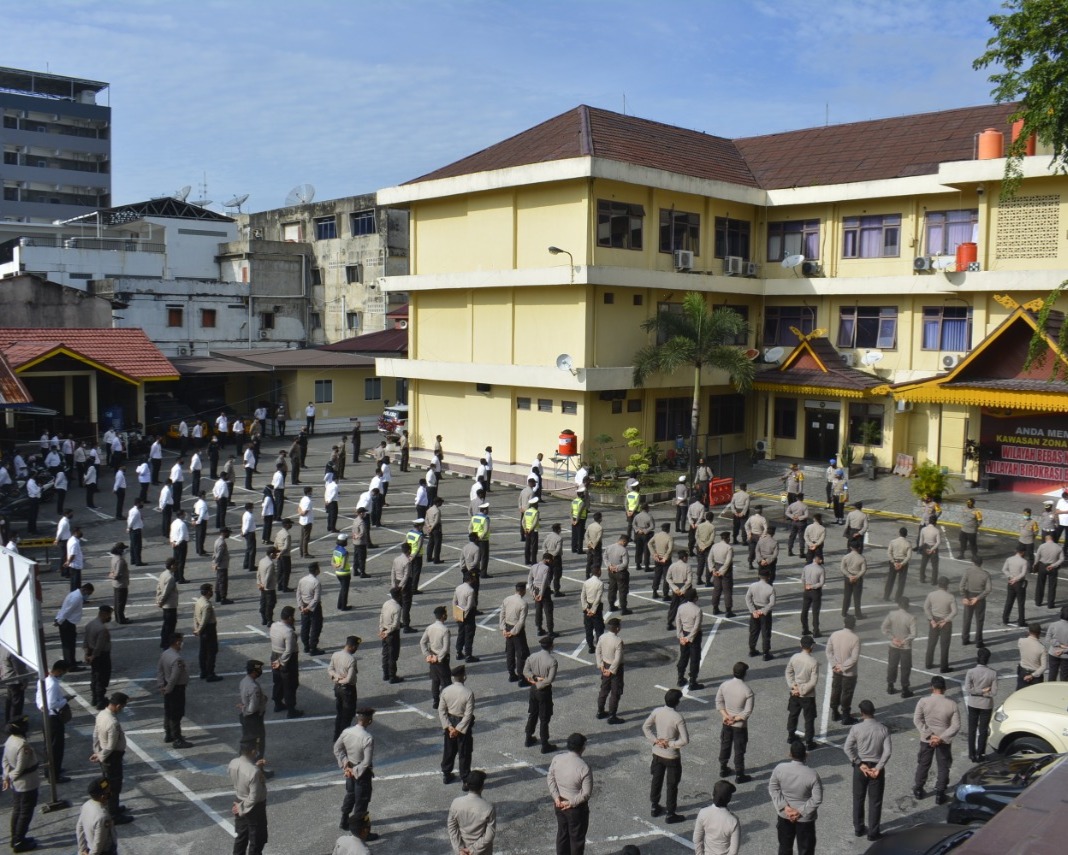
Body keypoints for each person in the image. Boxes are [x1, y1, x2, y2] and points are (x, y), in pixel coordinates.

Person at [843, 699, 891, 842]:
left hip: (860, 769)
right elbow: (887, 752)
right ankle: (873, 832)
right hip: (876, 768)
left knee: (858, 798)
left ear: (862, 713)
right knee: (875, 801)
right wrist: (878, 768)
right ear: (874, 712)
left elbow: (847, 748)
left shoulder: (856, 729)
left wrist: (859, 763)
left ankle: (858, 828)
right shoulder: (883, 729)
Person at [768, 740, 823, 855]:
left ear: (790, 754)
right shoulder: (812, 774)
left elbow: (773, 788)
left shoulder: (780, 768)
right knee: (806, 850)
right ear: (806, 755)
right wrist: (800, 811)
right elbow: (817, 799)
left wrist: (784, 807)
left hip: (785, 815)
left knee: (784, 848)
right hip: (805, 818)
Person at [643, 688, 689, 824]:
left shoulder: (657, 711)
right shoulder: (678, 717)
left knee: (656, 780)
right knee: (672, 784)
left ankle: (654, 806)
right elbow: (685, 740)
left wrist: (656, 740)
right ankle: (670, 813)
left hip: (657, 752)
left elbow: (646, 727)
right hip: (671, 756)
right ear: (677, 702)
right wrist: (670, 743)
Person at [913, 675, 960, 804]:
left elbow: (917, 720)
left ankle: (918, 789)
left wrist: (930, 734)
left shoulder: (923, 701)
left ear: (931, 687)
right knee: (943, 766)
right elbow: (956, 725)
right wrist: (941, 737)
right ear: (945, 688)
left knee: (923, 764)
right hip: (943, 741)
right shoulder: (952, 704)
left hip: (926, 739)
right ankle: (940, 794)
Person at [90, 692, 132, 825]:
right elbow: (111, 745)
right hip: (111, 757)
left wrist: (97, 752)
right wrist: (101, 756)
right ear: (118, 706)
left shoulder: (101, 714)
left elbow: (95, 734)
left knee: (109, 782)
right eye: (123, 706)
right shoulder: (112, 722)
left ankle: (113, 807)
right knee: (114, 785)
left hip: (104, 754)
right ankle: (113, 813)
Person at [547, 732, 592, 855]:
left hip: (559, 803)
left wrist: (556, 797)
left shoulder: (557, 759)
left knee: (562, 834)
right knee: (576, 839)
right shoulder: (584, 767)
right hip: (576, 808)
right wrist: (571, 803)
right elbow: (586, 793)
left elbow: (550, 778)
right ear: (582, 748)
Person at [2, 715, 41, 852]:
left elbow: (5, 761)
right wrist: (10, 777)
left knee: (18, 810)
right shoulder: (22, 744)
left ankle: (16, 837)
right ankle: (19, 841)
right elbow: (20, 768)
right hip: (26, 783)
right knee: (25, 812)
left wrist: (6, 776)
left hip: (17, 784)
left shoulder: (10, 741)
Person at [335, 708, 375, 833]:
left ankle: (344, 819)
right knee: (362, 801)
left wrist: (345, 764)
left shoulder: (347, 731)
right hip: (361, 773)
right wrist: (356, 771)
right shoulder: (367, 738)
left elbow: (337, 749)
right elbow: (366, 761)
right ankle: (360, 830)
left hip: (349, 768)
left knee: (350, 795)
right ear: (369, 720)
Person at [715, 662, 754, 784]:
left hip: (726, 722)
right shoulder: (747, 691)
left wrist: (726, 716)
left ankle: (723, 768)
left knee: (725, 745)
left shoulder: (724, 685)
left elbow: (719, 702)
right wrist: (735, 719)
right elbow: (747, 712)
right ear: (745, 674)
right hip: (739, 726)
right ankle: (739, 774)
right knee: (739, 749)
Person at [230, 737, 269, 855]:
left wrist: (256, 767)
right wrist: (241, 807)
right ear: (252, 751)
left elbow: (243, 779)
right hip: (253, 808)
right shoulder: (253, 772)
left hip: (239, 799)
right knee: (257, 840)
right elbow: (254, 797)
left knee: (241, 837)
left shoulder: (233, 763)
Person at [439, 665, 475, 786]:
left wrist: (449, 726)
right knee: (464, 752)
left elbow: (441, 711)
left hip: (450, 722)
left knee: (449, 750)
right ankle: (465, 779)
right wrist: (459, 729)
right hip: (462, 725)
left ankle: (446, 773)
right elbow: (468, 714)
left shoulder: (446, 690)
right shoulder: (468, 693)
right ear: (463, 676)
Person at [447, 768, 496, 855]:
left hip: (463, 850)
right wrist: (472, 850)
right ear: (482, 787)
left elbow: (452, 828)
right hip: (482, 851)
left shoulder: (456, 803)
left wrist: (460, 849)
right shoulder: (488, 808)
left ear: (467, 785)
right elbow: (489, 836)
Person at [524, 635, 559, 753]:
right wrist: (539, 683)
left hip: (533, 689)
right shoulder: (552, 661)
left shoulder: (532, 656)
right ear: (551, 646)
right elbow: (549, 680)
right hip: (544, 691)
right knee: (544, 718)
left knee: (532, 714)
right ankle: (545, 744)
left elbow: (525, 671)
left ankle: (528, 738)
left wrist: (533, 678)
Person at [963, 647, 998, 763]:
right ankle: (980, 754)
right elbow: (993, 692)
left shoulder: (971, 672)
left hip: (973, 703)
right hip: (986, 705)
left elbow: (968, 689)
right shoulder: (992, 673)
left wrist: (978, 691)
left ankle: (971, 754)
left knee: (972, 729)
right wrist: (984, 691)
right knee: (983, 730)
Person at [157, 632, 192, 748]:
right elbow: (174, 677)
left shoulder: (165, 653)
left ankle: (168, 734)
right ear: (177, 642)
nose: (182, 644)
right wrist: (168, 689)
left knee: (168, 712)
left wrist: (162, 685)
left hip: (168, 687)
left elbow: (160, 670)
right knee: (176, 714)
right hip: (176, 689)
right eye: (181, 641)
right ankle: (177, 739)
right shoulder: (177, 659)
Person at [785, 636, 819, 750]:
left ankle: (791, 735)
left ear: (801, 645)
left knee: (793, 714)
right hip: (807, 695)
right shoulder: (813, 662)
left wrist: (793, 686)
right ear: (811, 646)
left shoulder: (794, 657)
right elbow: (813, 681)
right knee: (809, 718)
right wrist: (802, 690)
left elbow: (788, 672)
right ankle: (809, 742)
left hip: (794, 693)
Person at [827, 616, 860, 725]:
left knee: (836, 689)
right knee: (847, 692)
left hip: (836, 670)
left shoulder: (834, 635)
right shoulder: (855, 638)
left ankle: (834, 712)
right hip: (849, 672)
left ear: (844, 623)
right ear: (854, 625)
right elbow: (854, 658)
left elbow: (829, 652)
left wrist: (835, 665)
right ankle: (845, 715)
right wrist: (844, 667)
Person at [270, 606, 302, 718]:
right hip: (287, 659)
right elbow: (289, 650)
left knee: (278, 681)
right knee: (290, 684)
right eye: (293, 617)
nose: (294, 619)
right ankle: (291, 710)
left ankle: (277, 703)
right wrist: (281, 662)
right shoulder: (288, 631)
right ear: (289, 617)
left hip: (274, 654)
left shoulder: (274, 625)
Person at [693, 779, 740, 855]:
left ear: (713, 795)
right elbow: (733, 851)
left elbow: (697, 839)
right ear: (729, 799)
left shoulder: (703, 812)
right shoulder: (733, 821)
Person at [883, 597, 916, 698]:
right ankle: (905, 689)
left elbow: (884, 628)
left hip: (894, 645)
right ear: (907, 605)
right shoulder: (911, 618)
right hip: (905, 647)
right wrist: (904, 641)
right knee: (905, 667)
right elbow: (913, 634)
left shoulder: (891, 614)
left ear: (898, 605)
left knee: (892, 665)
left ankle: (890, 686)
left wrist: (893, 639)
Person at [329, 636, 361, 740]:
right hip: (348, 690)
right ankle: (342, 739)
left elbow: (330, 669)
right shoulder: (351, 659)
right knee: (347, 716)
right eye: (356, 647)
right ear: (351, 647)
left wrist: (336, 678)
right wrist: (340, 680)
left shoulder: (335, 654)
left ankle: (336, 735)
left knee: (340, 714)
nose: (356, 649)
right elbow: (349, 679)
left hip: (337, 688)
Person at [55, 582, 93, 668]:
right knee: (69, 645)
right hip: (67, 622)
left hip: (68, 621)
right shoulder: (76, 598)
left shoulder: (75, 594)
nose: (87, 596)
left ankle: (71, 661)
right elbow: (67, 611)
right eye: (88, 593)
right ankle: (70, 665)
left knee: (70, 644)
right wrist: (59, 621)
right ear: (84, 590)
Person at [83, 605, 114, 710]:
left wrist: (87, 654)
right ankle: (100, 701)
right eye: (110, 614)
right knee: (102, 677)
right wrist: (94, 656)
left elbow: (85, 641)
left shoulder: (90, 624)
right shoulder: (101, 629)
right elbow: (99, 646)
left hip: (92, 653)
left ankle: (94, 698)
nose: (110, 617)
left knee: (95, 676)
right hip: (101, 655)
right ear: (105, 614)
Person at [421, 606, 452, 708]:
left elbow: (423, 642)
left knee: (435, 681)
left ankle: (435, 701)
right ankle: (446, 702)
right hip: (441, 659)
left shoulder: (430, 627)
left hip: (432, 655)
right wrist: (438, 658)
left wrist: (428, 655)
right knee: (446, 682)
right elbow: (445, 648)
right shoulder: (445, 630)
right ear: (443, 615)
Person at [595, 617, 625, 724]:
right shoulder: (618, 641)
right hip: (615, 669)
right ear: (617, 628)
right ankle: (612, 716)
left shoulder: (602, 637)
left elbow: (598, 651)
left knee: (604, 689)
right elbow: (618, 658)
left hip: (605, 665)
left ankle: (600, 711)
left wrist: (601, 665)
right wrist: (611, 670)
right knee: (615, 692)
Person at [76, 778, 118, 855]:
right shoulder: (103, 816)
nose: (111, 794)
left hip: (89, 848)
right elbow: (99, 842)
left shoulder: (86, 805)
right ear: (103, 797)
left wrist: (81, 850)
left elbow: (80, 828)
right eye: (108, 793)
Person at [923, 577, 956, 673]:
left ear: (938, 584)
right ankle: (944, 667)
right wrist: (946, 620)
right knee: (944, 645)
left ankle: (928, 664)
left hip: (934, 620)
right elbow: (954, 612)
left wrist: (931, 620)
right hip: (945, 623)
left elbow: (926, 608)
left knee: (931, 643)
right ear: (947, 585)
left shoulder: (931, 595)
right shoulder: (950, 597)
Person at [500, 582, 530, 684]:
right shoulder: (523, 604)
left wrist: (504, 629)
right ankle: (522, 678)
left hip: (507, 627)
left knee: (510, 652)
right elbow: (521, 621)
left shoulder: (507, 599)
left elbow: (502, 615)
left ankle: (511, 674)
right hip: (517, 630)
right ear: (523, 591)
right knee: (521, 654)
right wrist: (513, 632)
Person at [239, 661, 268, 762]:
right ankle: (258, 767)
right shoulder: (254, 686)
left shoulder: (244, 681)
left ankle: (245, 761)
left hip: (245, 716)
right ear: (255, 671)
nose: (260, 671)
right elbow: (253, 707)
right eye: (259, 669)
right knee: (258, 742)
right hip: (253, 718)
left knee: (247, 740)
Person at [960, 557, 992, 647]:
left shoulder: (968, 572)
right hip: (980, 598)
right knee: (979, 620)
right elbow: (988, 589)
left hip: (969, 595)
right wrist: (978, 598)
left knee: (967, 618)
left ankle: (965, 639)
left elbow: (961, 586)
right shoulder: (985, 574)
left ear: (973, 563)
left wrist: (964, 597)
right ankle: (978, 641)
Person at [676, 589, 703, 690]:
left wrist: (681, 636)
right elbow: (696, 627)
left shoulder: (681, 607)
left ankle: (680, 678)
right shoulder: (697, 610)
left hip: (684, 633)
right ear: (695, 597)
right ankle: (692, 681)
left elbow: (678, 621)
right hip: (693, 636)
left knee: (683, 656)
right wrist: (689, 638)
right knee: (695, 658)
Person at [193, 584, 222, 682]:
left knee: (203, 652)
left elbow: (195, 616)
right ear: (208, 592)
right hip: (208, 629)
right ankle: (210, 674)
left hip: (203, 630)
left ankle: (203, 672)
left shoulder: (199, 601)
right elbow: (205, 620)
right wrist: (199, 630)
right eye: (211, 590)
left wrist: (196, 628)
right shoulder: (206, 605)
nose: (212, 591)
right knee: (211, 652)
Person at [296, 562, 325, 655]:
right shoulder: (316, 582)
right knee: (316, 627)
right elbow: (316, 599)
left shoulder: (302, 580)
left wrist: (301, 606)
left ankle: (306, 646)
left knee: (305, 627)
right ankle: (313, 647)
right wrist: (309, 608)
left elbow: (298, 593)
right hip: (314, 608)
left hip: (303, 605)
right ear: (316, 570)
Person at [746, 569, 775, 660]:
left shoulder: (753, 586)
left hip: (755, 610)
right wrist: (763, 611)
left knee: (753, 631)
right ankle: (766, 653)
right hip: (765, 613)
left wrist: (753, 610)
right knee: (765, 632)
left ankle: (752, 649)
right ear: (768, 577)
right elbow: (771, 603)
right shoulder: (770, 588)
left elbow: (748, 598)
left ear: (759, 576)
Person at [379, 589, 404, 684]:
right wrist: (388, 632)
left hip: (384, 629)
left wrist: (381, 629)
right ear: (399, 596)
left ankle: (385, 674)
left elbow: (381, 616)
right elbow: (395, 624)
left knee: (385, 654)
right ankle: (392, 676)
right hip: (392, 634)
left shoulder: (386, 603)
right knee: (393, 655)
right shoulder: (397, 607)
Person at [1002, 544, 1030, 627]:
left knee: (1009, 601)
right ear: (1022, 552)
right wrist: (1016, 578)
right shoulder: (1024, 562)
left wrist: (1011, 577)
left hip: (1010, 582)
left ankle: (1005, 619)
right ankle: (1021, 621)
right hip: (1019, 583)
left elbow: (1004, 569)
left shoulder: (1009, 559)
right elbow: (1023, 573)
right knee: (1021, 603)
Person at [528, 553, 555, 638]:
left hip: (535, 590)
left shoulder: (533, 566)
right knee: (548, 611)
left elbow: (529, 580)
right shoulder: (546, 568)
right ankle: (550, 631)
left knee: (538, 610)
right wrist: (541, 594)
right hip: (544, 591)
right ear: (547, 559)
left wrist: (532, 592)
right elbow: (544, 582)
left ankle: (539, 629)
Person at [665, 549, 693, 630]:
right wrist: (683, 590)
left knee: (673, 606)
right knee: (684, 607)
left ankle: (669, 622)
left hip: (675, 587)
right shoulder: (687, 566)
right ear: (684, 557)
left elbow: (668, 578)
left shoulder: (672, 566)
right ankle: (684, 624)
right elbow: (689, 581)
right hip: (684, 587)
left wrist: (674, 588)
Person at [1035, 531, 1064, 608]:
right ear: (1053, 539)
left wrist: (1035, 566)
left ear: (1046, 539)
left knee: (1040, 585)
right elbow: (1062, 559)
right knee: (1052, 586)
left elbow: (1037, 557)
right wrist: (1053, 565)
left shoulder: (1042, 546)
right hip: (1053, 568)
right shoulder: (1058, 547)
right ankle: (1050, 604)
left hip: (1042, 566)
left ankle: (1038, 602)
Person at [604, 534, 632, 615]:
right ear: (623, 541)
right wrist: (617, 567)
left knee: (612, 589)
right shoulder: (623, 550)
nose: (627, 544)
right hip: (621, 573)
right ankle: (624, 609)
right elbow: (625, 563)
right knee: (623, 591)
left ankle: (611, 605)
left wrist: (609, 566)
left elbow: (605, 557)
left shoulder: (609, 547)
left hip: (611, 572)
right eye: (626, 542)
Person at [155, 558, 179, 650]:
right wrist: (161, 601)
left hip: (166, 605)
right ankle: (166, 643)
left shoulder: (163, 574)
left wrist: (158, 599)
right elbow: (166, 592)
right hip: (170, 604)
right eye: (176, 565)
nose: (177, 566)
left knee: (166, 624)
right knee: (170, 625)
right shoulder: (170, 577)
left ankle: (164, 641)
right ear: (172, 565)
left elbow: (159, 588)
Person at [885, 526, 912, 602]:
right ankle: (898, 598)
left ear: (899, 533)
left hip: (894, 562)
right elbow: (909, 556)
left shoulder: (893, 542)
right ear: (906, 535)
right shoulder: (908, 543)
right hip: (903, 563)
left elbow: (889, 553)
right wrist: (902, 564)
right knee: (901, 582)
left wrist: (894, 562)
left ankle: (886, 596)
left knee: (890, 580)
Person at [839, 543, 866, 619]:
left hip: (848, 577)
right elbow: (863, 570)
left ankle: (844, 612)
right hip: (857, 578)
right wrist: (856, 577)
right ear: (859, 548)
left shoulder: (846, 557)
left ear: (851, 547)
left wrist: (849, 576)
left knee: (847, 595)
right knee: (857, 597)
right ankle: (858, 614)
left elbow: (842, 568)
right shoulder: (861, 558)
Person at [1017, 622, 1047, 690]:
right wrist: (1032, 675)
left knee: (1020, 694)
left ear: (1029, 631)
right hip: (1035, 675)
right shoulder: (1041, 648)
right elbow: (1043, 666)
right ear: (1039, 633)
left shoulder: (1021, 641)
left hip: (1023, 671)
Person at [799, 555, 824, 638]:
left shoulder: (806, 567)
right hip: (815, 592)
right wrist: (812, 586)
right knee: (815, 612)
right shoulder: (820, 569)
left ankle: (804, 628)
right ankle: (816, 631)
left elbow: (802, 578)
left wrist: (806, 585)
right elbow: (821, 583)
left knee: (804, 610)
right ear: (819, 560)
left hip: (806, 590)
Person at [257, 547, 279, 627]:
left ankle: (264, 619)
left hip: (262, 587)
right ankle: (269, 620)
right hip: (269, 588)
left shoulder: (261, 561)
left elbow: (258, 574)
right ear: (271, 554)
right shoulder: (270, 564)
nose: (276, 555)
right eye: (275, 553)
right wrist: (264, 585)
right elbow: (268, 577)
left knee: (263, 603)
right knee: (270, 604)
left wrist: (259, 584)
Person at [333, 534, 353, 611]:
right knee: (345, 590)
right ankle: (343, 606)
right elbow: (343, 565)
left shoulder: (336, 549)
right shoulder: (345, 552)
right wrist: (340, 566)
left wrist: (336, 566)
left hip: (338, 573)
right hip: (345, 573)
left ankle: (339, 604)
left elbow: (332, 561)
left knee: (342, 589)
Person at [917, 518, 941, 584]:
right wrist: (932, 549)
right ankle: (933, 581)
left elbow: (920, 540)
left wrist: (921, 549)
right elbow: (938, 542)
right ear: (935, 522)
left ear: (929, 522)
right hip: (933, 548)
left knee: (923, 564)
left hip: (925, 547)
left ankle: (922, 579)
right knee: (935, 566)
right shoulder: (936, 531)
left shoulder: (923, 529)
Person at [169, 509, 190, 583]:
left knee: (176, 561)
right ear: (181, 515)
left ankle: (176, 576)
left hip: (174, 543)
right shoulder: (182, 524)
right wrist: (177, 543)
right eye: (184, 514)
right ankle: (181, 578)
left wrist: (172, 542)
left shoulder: (173, 523)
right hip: (181, 544)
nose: (185, 515)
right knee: (181, 562)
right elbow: (182, 536)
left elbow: (171, 533)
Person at [214, 526, 233, 605]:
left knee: (219, 580)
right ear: (224, 533)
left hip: (220, 564)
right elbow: (219, 555)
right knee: (223, 582)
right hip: (222, 565)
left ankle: (218, 596)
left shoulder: (217, 540)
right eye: (228, 533)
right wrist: (216, 563)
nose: (229, 534)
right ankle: (223, 598)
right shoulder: (222, 543)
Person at [274, 520, 294, 592]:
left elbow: (275, 544)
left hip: (279, 553)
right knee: (286, 571)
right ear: (286, 525)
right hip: (285, 555)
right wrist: (281, 553)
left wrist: (277, 553)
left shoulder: (279, 533)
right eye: (290, 524)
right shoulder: (287, 535)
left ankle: (279, 586)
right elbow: (286, 547)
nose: (291, 525)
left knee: (280, 571)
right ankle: (284, 587)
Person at [1050, 605, 1068, 681]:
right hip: (1066, 655)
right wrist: (1063, 650)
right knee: (1064, 677)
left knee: (1052, 675)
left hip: (1053, 652)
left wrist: (1058, 645)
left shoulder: (1053, 625)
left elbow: (1049, 639)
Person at [298, 487, 314, 558]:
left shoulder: (303, 499)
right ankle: (305, 553)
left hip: (302, 521)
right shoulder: (308, 501)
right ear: (309, 492)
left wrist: (300, 513)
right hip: (307, 521)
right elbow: (305, 512)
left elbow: (299, 508)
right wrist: (302, 513)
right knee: (306, 538)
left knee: (302, 537)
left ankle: (301, 552)